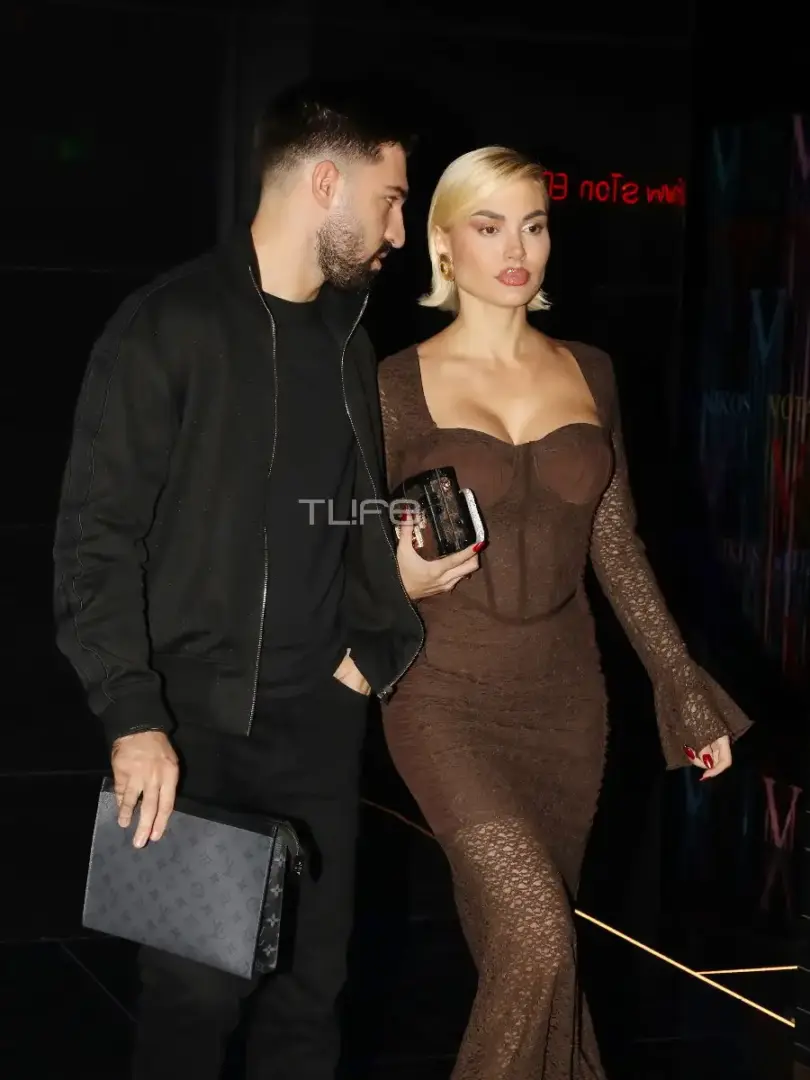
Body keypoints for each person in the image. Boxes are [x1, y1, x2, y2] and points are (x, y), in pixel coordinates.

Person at [52, 81, 472, 1080]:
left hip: (320, 728)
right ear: (325, 183)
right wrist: (132, 719)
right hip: (194, 735)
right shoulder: (169, 326)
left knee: (309, 1007)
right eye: (390, 199)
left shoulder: (348, 341)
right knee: (192, 1008)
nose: (400, 232)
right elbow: (96, 541)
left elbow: (340, 517)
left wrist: (385, 613)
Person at [378, 146, 753, 1079]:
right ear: (444, 245)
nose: (517, 250)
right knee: (540, 936)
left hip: (566, 706)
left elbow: (616, 547)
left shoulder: (591, 371)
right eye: (489, 226)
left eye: (535, 225)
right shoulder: (391, 383)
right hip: (443, 697)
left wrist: (681, 686)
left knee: (528, 962)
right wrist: (388, 581)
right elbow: (332, 531)